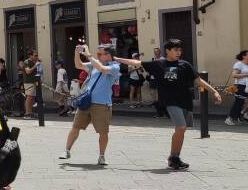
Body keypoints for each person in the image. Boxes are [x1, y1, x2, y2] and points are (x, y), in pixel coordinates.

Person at [116, 40, 222, 170]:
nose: (178, 53)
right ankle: (173, 158)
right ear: (167, 51)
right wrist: (116, 58)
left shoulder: (185, 65)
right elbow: (136, 62)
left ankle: (175, 158)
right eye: (175, 50)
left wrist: (214, 92)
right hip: (170, 101)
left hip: (185, 101)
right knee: (181, 127)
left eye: (180, 50)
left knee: (181, 131)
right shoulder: (159, 64)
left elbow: (198, 80)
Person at [59, 45, 120, 165]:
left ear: (108, 55)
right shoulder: (94, 64)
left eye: (100, 54)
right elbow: (79, 65)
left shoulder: (114, 67)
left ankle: (102, 156)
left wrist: (88, 54)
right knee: (75, 127)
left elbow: (102, 68)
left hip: (102, 104)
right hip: (87, 101)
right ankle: (66, 151)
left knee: (103, 132)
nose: (98, 56)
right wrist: (77, 52)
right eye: (97, 54)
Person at [227, 50, 248, 125]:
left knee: (245, 102)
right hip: (240, 86)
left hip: (247, 85)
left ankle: (242, 114)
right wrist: (246, 75)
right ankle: (229, 118)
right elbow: (234, 75)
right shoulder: (239, 64)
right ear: (244, 56)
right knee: (239, 102)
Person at [21, 51, 39, 119]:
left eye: (37, 55)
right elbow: (28, 71)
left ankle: (30, 112)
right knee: (29, 97)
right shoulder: (26, 62)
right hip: (28, 82)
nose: (36, 57)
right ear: (30, 56)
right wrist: (35, 66)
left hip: (33, 82)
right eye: (35, 55)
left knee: (32, 98)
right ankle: (27, 113)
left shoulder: (33, 62)